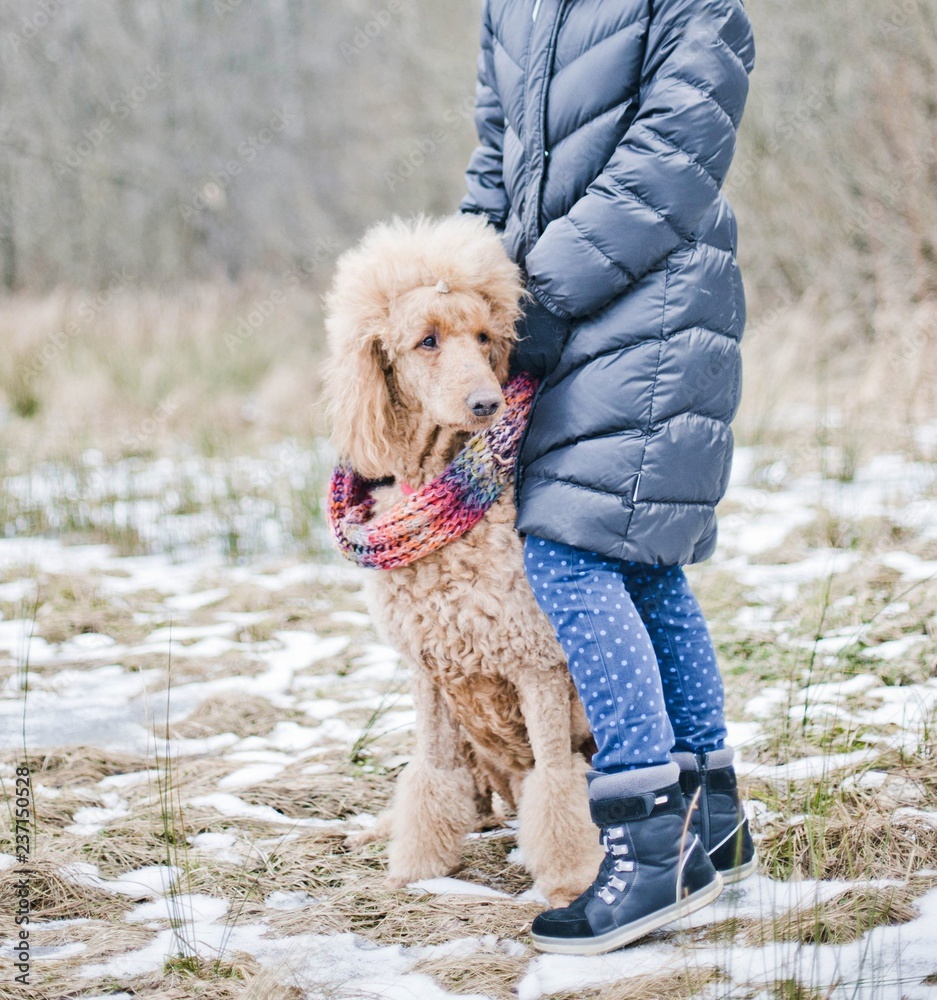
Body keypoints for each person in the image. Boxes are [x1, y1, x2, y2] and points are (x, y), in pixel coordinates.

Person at [459, 0, 757, 955]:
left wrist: (536, 293)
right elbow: (491, 159)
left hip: (654, 308)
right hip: (551, 313)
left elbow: (671, 158)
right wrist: (462, 292)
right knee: (641, 567)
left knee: (569, 554)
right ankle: (710, 824)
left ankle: (645, 838)